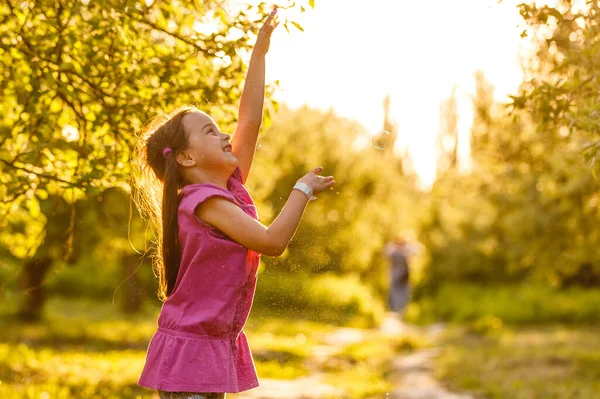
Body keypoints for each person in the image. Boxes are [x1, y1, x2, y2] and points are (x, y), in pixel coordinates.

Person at [133, 8, 336, 399]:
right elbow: (272, 242)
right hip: (190, 358)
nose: (226, 135)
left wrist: (258, 54)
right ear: (188, 159)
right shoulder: (204, 201)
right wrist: (302, 190)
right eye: (211, 131)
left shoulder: (220, 187)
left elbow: (250, 122)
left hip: (202, 352)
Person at [383, 236, 413, 317]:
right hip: (395, 274)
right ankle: (395, 310)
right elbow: (385, 251)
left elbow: (419, 250)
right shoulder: (394, 251)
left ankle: (402, 310)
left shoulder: (406, 250)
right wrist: (394, 244)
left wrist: (407, 245)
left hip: (405, 275)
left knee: (404, 292)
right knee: (395, 292)